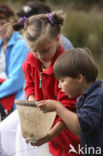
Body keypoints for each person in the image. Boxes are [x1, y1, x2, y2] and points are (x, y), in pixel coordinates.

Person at [10, 11, 81, 156]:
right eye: (34, 51)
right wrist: (31, 100)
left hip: (69, 133)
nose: (40, 56)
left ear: (57, 38)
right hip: (46, 126)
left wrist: (48, 136)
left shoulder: (67, 67)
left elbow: (69, 108)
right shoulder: (31, 60)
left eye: (45, 50)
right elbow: (29, 83)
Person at [37, 48, 103, 155]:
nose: (59, 85)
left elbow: (82, 125)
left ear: (79, 77)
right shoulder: (82, 100)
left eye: (62, 81)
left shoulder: (97, 97)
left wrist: (57, 107)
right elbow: (81, 132)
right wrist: (49, 136)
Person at [0, 4, 30, 119]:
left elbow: (16, 81)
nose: (0, 28)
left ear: (12, 24)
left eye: (3, 24)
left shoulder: (21, 45)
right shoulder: (1, 43)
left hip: (18, 103)